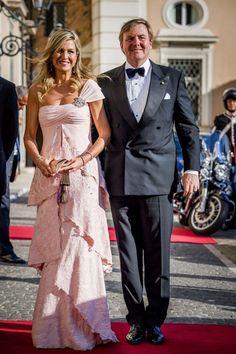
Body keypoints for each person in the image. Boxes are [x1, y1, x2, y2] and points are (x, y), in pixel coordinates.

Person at [98, 18, 200, 345]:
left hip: (158, 178)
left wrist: (192, 170)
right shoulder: (105, 81)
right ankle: (136, 321)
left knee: (158, 257)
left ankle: (155, 320)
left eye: (141, 38)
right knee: (128, 258)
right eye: (130, 39)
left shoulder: (173, 77)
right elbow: (95, 132)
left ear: (150, 41)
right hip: (121, 177)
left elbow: (188, 128)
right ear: (122, 43)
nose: (136, 44)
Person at [24, 29, 117, 350]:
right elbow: (29, 137)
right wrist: (40, 161)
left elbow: (103, 135)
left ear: (78, 56)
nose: (66, 56)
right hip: (49, 178)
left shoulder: (89, 88)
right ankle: (52, 330)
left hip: (83, 176)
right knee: (55, 249)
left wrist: (81, 159)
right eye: (60, 51)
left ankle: (84, 326)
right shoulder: (38, 90)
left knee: (79, 245)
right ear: (51, 54)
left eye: (71, 52)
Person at [0, 76, 26, 264]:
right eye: (21, 104)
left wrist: (10, 163)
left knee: (3, 204)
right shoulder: (6, 88)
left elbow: (12, 136)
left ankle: (4, 248)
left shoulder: (6, 88)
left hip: (3, 159)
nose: (22, 107)